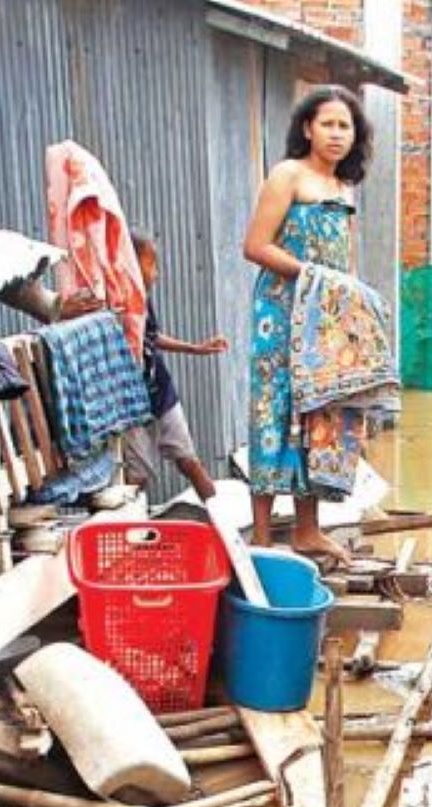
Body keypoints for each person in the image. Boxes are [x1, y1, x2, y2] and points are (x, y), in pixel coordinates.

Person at [241, 85, 372, 562]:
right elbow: (255, 246)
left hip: (326, 318)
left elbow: (346, 263)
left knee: (319, 413)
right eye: (328, 124)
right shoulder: (288, 175)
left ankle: (307, 530)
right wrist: (312, 277)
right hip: (279, 311)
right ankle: (260, 536)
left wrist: (350, 309)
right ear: (307, 129)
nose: (337, 134)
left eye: (345, 125)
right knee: (272, 411)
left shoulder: (344, 189)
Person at [121, 231, 226, 501]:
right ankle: (133, 533)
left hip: (161, 392)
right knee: (136, 478)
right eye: (151, 264)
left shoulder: (142, 299)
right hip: (129, 403)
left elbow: (152, 338)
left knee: (189, 462)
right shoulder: (117, 303)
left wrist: (194, 348)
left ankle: (222, 522)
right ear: (131, 262)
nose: (155, 273)